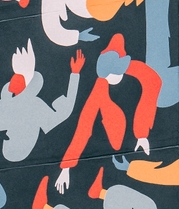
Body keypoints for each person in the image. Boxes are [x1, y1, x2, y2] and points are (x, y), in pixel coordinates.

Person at [56, 35, 159, 187]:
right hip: (116, 139)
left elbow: (154, 84)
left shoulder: (139, 72)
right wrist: (66, 167)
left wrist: (142, 134)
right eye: (105, 76)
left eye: (111, 75)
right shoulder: (101, 86)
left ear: (121, 67)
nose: (108, 79)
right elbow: (85, 124)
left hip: (144, 129)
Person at [0, 43, 82, 162]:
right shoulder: (5, 102)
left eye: (19, 76)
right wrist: (75, 74)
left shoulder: (33, 105)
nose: (13, 78)